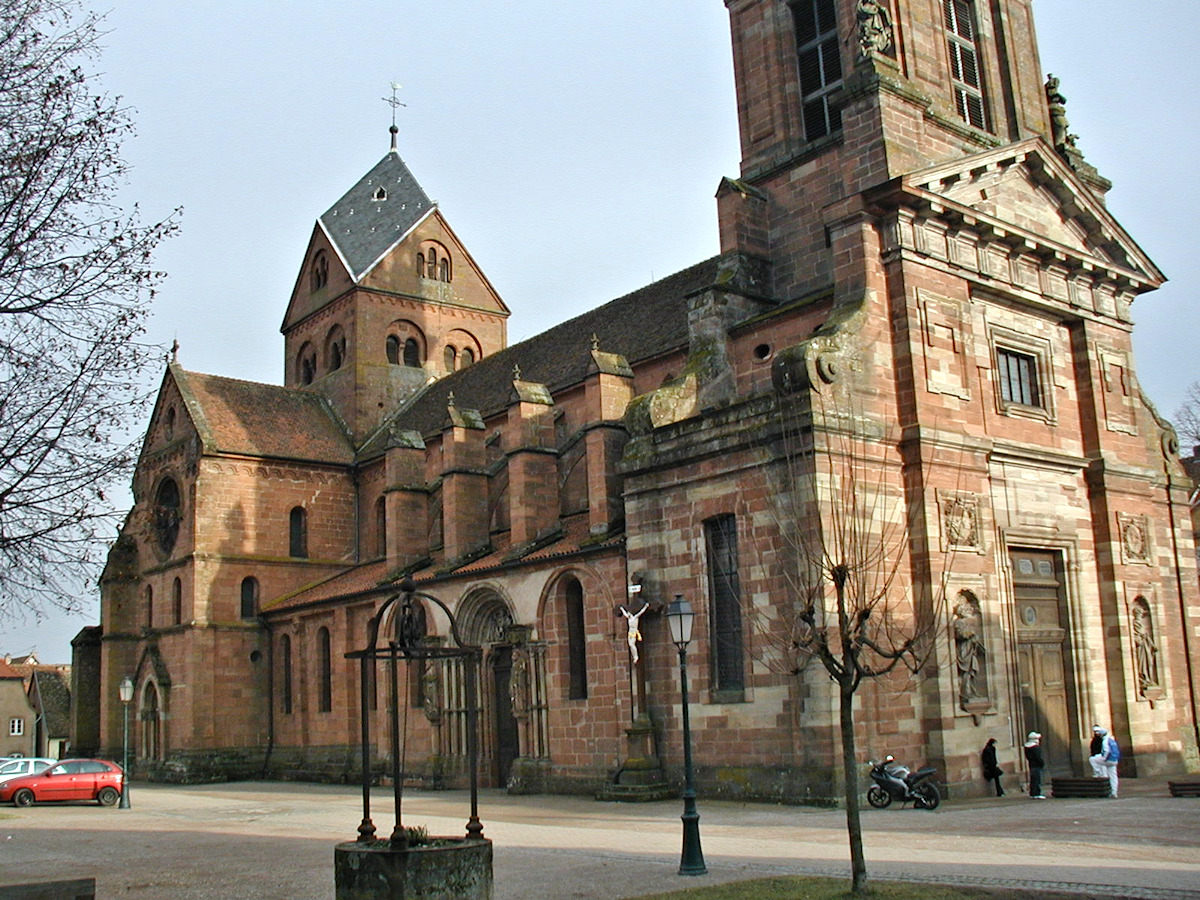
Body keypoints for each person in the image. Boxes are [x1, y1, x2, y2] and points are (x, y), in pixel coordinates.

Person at [1089, 726, 1120, 798]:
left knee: (1092, 759)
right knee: (1113, 776)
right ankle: (1114, 792)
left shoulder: (1105, 741)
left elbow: (1106, 751)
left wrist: (1104, 758)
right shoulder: (1111, 740)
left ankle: (1097, 773)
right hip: (1114, 760)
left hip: (1108, 759)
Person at [1023, 731, 1046, 799]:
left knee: (1033, 779)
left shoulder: (1027, 747)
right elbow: (1038, 757)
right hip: (1036, 765)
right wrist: (1042, 763)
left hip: (1031, 764)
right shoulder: (1035, 748)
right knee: (1037, 779)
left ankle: (1032, 793)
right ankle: (1036, 793)